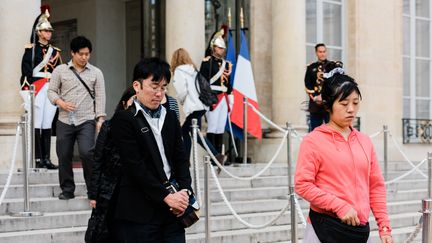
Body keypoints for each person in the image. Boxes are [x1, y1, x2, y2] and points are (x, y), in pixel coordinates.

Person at [295, 69, 393, 243]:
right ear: (328, 105)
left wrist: (384, 227)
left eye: (355, 103)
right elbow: (302, 185)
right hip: (324, 230)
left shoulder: (365, 141)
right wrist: (339, 206)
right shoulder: (313, 141)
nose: (351, 109)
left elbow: (376, 186)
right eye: (344, 103)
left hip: (359, 231)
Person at [110, 57, 193, 242]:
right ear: (137, 86)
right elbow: (135, 166)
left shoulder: (170, 117)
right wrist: (165, 196)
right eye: (154, 87)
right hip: (139, 211)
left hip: (173, 211)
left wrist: (185, 192)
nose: (159, 93)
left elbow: (181, 159)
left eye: (163, 88)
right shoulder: (123, 120)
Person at [48, 36, 106, 200]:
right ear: (72, 53)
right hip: (64, 120)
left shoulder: (96, 72)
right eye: (81, 54)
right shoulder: (60, 70)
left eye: (87, 54)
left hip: (86, 120)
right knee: (64, 154)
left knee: (87, 152)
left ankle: (92, 190)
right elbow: (51, 91)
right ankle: (67, 189)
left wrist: (100, 119)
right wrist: (60, 102)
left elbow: (100, 96)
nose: (84, 57)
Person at [86, 86, 135, 243]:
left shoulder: (142, 128)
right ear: (124, 103)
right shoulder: (109, 126)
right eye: (133, 101)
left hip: (131, 190)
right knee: (104, 232)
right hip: (109, 189)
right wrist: (93, 194)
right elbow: (98, 159)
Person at [20, 7, 62, 169]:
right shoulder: (30, 50)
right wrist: (27, 91)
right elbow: (25, 72)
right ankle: (37, 159)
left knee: (47, 123)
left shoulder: (55, 52)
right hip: (36, 88)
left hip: (51, 88)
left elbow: (59, 72)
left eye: (50, 31)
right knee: (36, 122)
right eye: (46, 30)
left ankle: (46, 158)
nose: (49, 33)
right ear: (39, 32)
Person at [170, 48, 227, 164]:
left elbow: (181, 91)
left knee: (186, 132)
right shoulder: (193, 70)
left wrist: (181, 101)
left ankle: (214, 155)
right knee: (193, 132)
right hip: (201, 106)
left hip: (193, 107)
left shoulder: (179, 71)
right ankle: (212, 156)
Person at [200, 29, 233, 161]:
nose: (222, 50)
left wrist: (230, 96)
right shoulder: (207, 62)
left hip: (224, 97)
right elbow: (202, 81)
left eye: (222, 48)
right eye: (219, 48)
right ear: (213, 48)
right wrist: (207, 98)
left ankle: (219, 155)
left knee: (220, 127)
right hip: (213, 97)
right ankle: (212, 156)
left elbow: (228, 83)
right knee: (212, 126)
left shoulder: (226, 64)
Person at [304, 43, 342, 132]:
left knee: (332, 131)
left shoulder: (333, 66)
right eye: (320, 52)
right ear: (316, 53)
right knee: (315, 131)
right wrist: (315, 97)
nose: (322, 54)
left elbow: (336, 83)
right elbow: (307, 84)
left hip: (329, 104)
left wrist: (326, 97)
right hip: (315, 105)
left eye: (324, 51)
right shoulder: (311, 67)